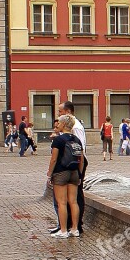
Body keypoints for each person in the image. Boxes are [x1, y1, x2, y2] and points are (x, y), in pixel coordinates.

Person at [49, 101, 87, 235]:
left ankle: (64, 229)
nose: (57, 122)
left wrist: (49, 173)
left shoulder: (60, 139)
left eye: (60, 113)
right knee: (73, 201)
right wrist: (80, 173)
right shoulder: (75, 138)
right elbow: (81, 156)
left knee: (62, 203)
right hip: (75, 168)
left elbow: (54, 158)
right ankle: (75, 229)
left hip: (62, 169)